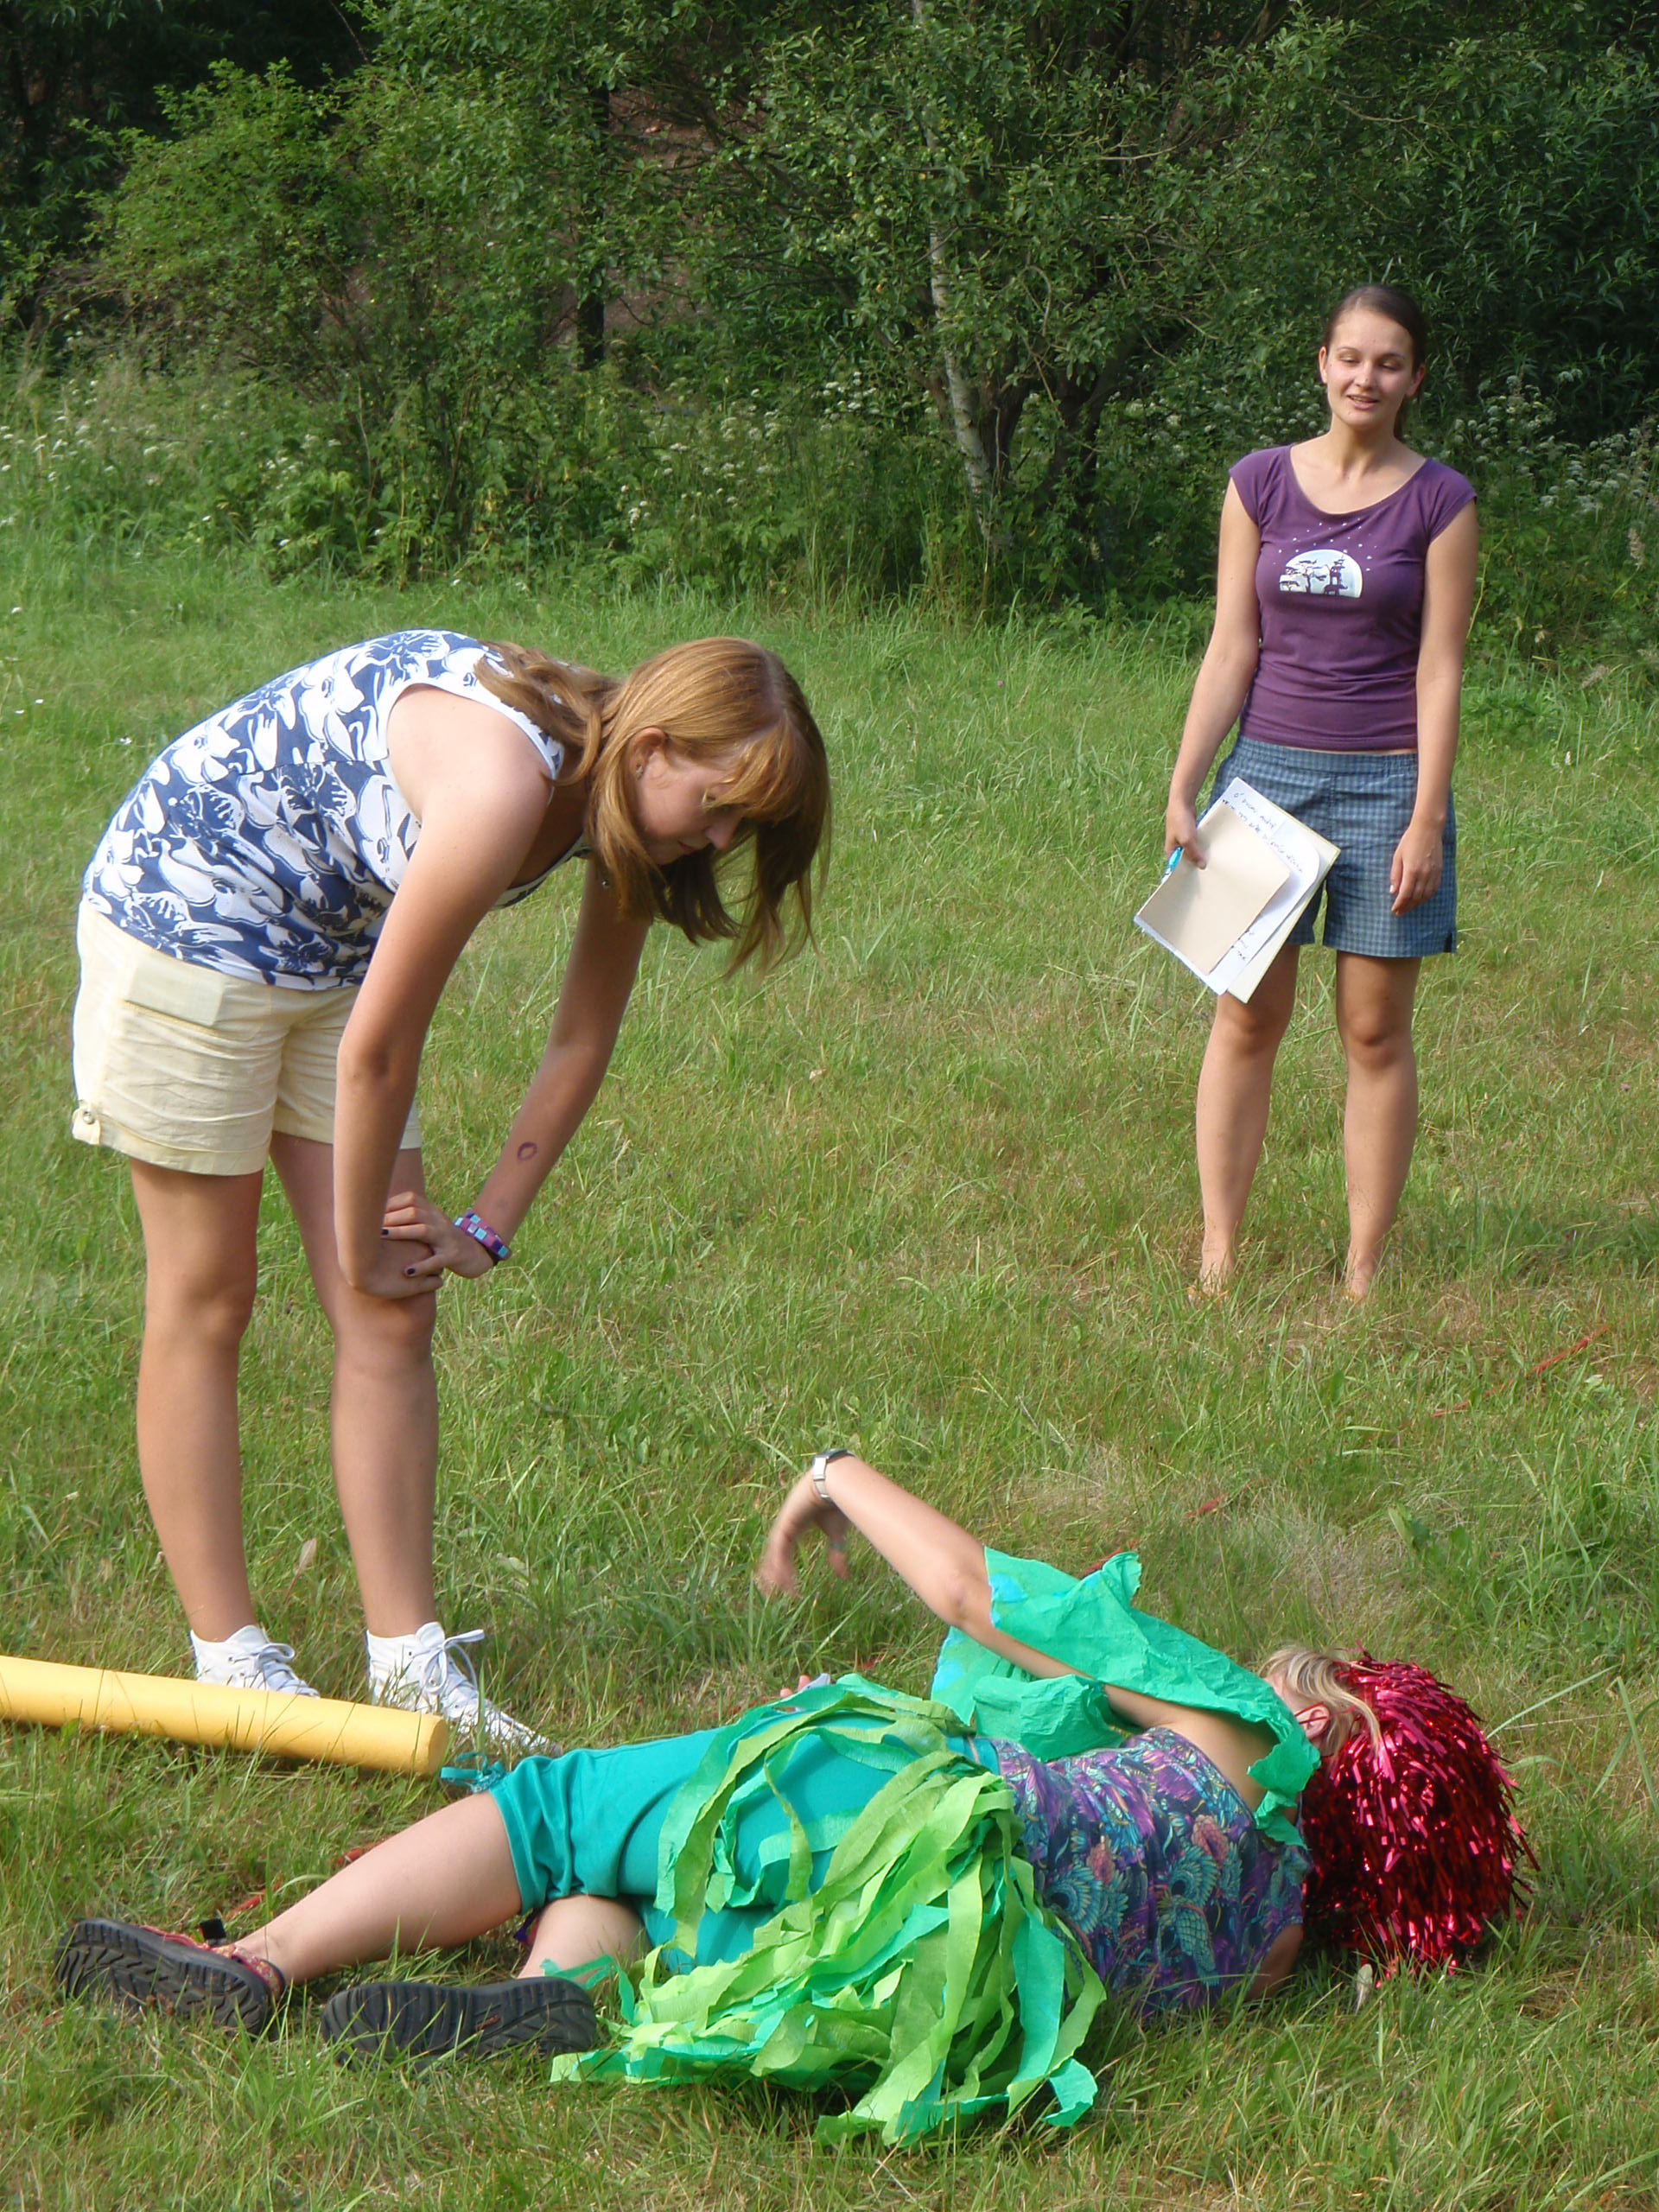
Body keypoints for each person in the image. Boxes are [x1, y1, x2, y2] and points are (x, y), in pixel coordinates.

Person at [54, 1452, 1528, 2145]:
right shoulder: (1277, 1946)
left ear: (1327, 1724)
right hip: (910, 1977)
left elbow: (980, 1597)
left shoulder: (1242, 1733)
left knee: (562, 1808)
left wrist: (836, 1475)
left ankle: (257, 1964)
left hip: (903, 1812)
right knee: (656, 1875)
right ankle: (554, 1998)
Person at [72, 631, 830, 1740]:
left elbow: (580, 1038)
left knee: (395, 1306)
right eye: (719, 808)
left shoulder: (619, 802)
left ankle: (408, 1662)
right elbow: (378, 1055)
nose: (719, 842)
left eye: (742, 828)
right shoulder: (501, 785)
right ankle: (229, 1660)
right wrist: (355, 1246)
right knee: (210, 1294)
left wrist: (484, 1225)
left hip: (331, 948)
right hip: (187, 913)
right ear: (654, 747)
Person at [1162, 284, 1478, 1299]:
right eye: (1350, 358)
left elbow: (1440, 670)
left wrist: (1426, 816)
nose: (1365, 378)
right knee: (1245, 1018)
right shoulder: (1257, 483)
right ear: (1322, 364)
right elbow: (1231, 646)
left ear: (1415, 379)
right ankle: (1219, 1251)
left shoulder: (1442, 502)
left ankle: (1364, 1267)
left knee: (1375, 1030)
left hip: (1388, 784)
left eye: (1388, 363)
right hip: (1264, 782)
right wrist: (1185, 783)